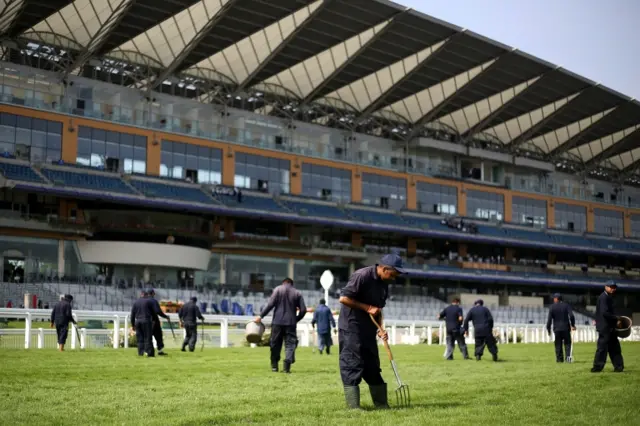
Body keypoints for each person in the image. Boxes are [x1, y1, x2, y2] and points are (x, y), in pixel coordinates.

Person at [338, 254, 404, 410]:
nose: (394, 278)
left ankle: (381, 404)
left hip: (369, 329)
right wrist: (367, 307)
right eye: (393, 274)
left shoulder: (384, 283)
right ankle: (354, 407)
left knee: (372, 365)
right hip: (351, 327)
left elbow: (378, 310)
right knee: (352, 364)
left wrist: (381, 329)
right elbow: (344, 298)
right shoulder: (362, 275)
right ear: (384, 268)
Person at [255, 278, 307, 373]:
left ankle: (274, 366)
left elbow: (270, 305)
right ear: (292, 284)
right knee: (290, 344)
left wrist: (261, 316)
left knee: (275, 344)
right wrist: (296, 319)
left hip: (277, 322)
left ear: (283, 282)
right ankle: (286, 367)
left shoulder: (277, 289)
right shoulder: (297, 293)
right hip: (291, 323)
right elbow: (303, 310)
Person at [592, 281, 624, 373]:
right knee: (602, 349)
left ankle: (619, 367)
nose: (613, 289)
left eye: (614, 287)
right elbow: (604, 313)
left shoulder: (608, 297)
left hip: (610, 328)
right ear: (606, 287)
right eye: (611, 287)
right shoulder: (603, 297)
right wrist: (616, 318)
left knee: (615, 348)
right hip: (605, 328)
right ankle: (597, 367)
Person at [546, 293, 576, 362]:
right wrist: (573, 325)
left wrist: (548, 329)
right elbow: (571, 316)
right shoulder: (566, 305)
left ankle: (559, 360)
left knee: (558, 344)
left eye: (554, 298)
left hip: (557, 329)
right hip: (566, 328)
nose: (553, 299)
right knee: (567, 344)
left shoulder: (552, 307)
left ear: (556, 299)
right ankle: (568, 359)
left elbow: (549, 320)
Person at [130, 289, 160, 357]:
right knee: (148, 337)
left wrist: (133, 325)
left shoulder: (136, 302)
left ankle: (140, 352)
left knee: (140, 338)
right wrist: (155, 321)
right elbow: (153, 313)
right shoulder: (149, 302)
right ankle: (150, 353)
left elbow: (132, 315)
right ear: (146, 295)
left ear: (141, 295)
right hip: (146, 321)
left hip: (138, 321)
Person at [148, 289, 170, 356]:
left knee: (148, 337)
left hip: (146, 321)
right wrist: (166, 316)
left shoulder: (144, 301)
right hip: (154, 321)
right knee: (158, 336)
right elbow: (158, 311)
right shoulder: (154, 301)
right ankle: (160, 350)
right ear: (153, 294)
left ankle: (147, 350)